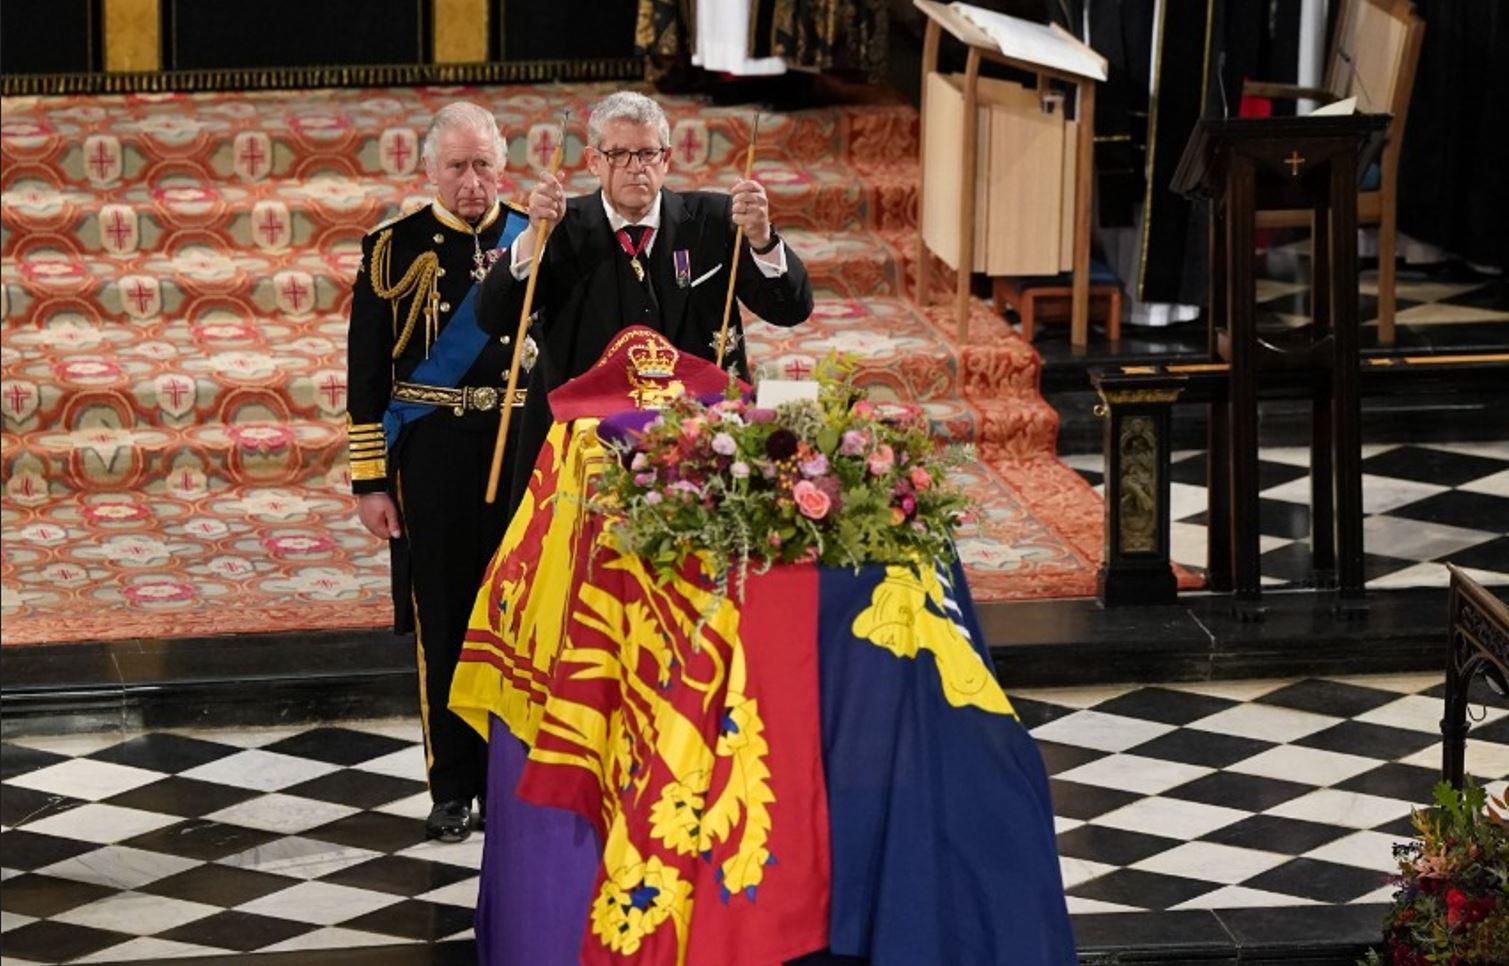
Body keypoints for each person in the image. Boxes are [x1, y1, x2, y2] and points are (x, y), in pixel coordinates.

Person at [476, 89, 813, 507]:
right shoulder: (557, 228)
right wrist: (531, 238)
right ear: (593, 161)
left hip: (698, 437)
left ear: (667, 159)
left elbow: (791, 309)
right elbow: (492, 316)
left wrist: (762, 239)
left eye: (648, 154)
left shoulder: (714, 221)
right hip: (584, 441)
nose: (636, 168)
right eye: (618, 154)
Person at [346, 101, 529, 843]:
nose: (471, 181)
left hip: (523, 446)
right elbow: (365, 371)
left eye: (483, 164)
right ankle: (453, 785)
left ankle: (518, 783)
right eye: (455, 166)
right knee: (447, 617)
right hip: (437, 453)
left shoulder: (538, 240)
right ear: (428, 170)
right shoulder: (393, 247)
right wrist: (369, 480)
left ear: (503, 164)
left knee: (524, 614)